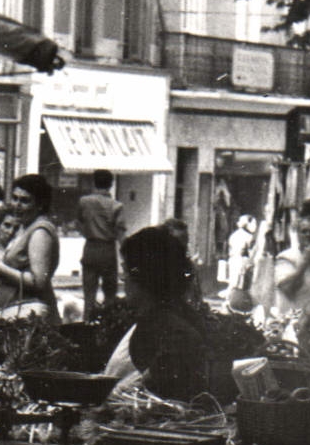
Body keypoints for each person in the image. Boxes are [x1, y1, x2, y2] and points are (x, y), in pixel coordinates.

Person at [104, 226, 211, 400]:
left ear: (143, 278)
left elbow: (150, 391)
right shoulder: (158, 318)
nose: (123, 281)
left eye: (126, 272)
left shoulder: (168, 327)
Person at [0, 174, 61, 322]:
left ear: (40, 204)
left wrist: (1, 269)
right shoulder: (26, 227)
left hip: (30, 314)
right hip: (17, 311)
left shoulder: (40, 232)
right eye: (15, 198)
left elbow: (39, 281)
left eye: (25, 201)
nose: (17, 205)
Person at [76, 169, 125, 316]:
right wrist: (127, 254)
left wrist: (89, 233)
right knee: (110, 293)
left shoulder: (84, 202)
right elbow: (120, 232)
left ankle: (87, 325)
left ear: (94, 182)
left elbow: (78, 224)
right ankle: (108, 326)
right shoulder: (117, 206)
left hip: (90, 248)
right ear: (111, 184)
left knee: (88, 294)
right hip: (107, 250)